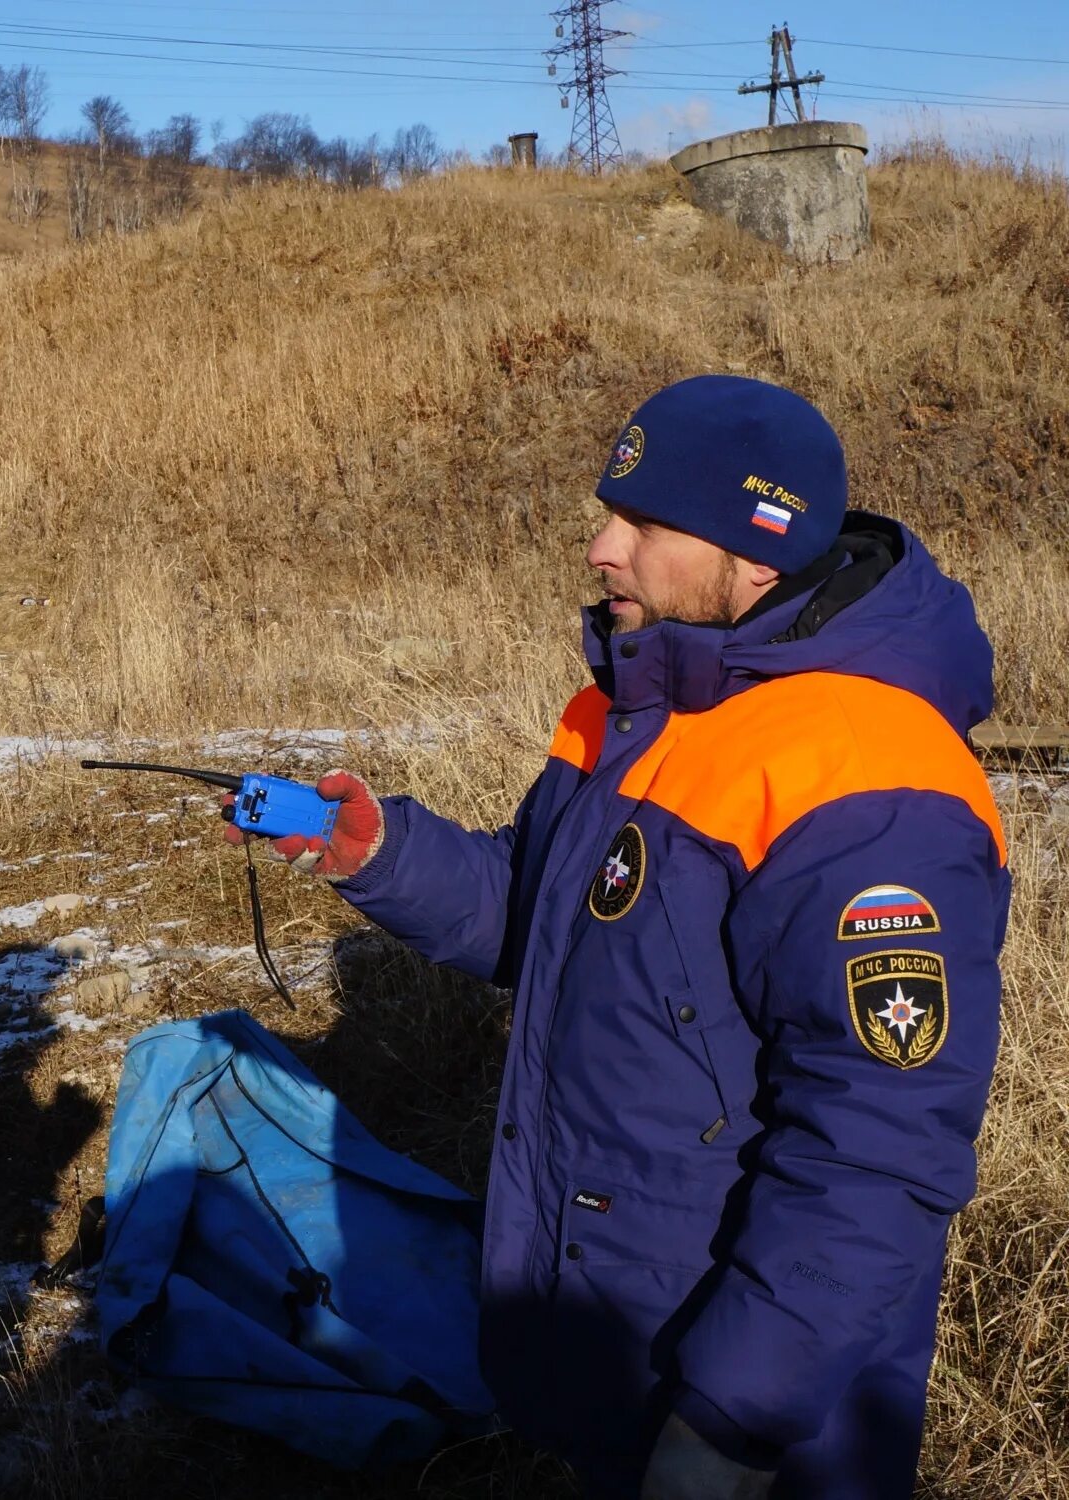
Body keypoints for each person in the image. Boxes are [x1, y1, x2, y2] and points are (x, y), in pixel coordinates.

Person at [240, 376, 1008, 1499]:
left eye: (643, 525)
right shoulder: (635, 703)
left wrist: (729, 1425)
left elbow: (875, 1146)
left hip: (754, 1414)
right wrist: (379, 854)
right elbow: (548, 915)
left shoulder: (870, 782)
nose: (600, 549)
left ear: (756, 554)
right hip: (619, 1335)